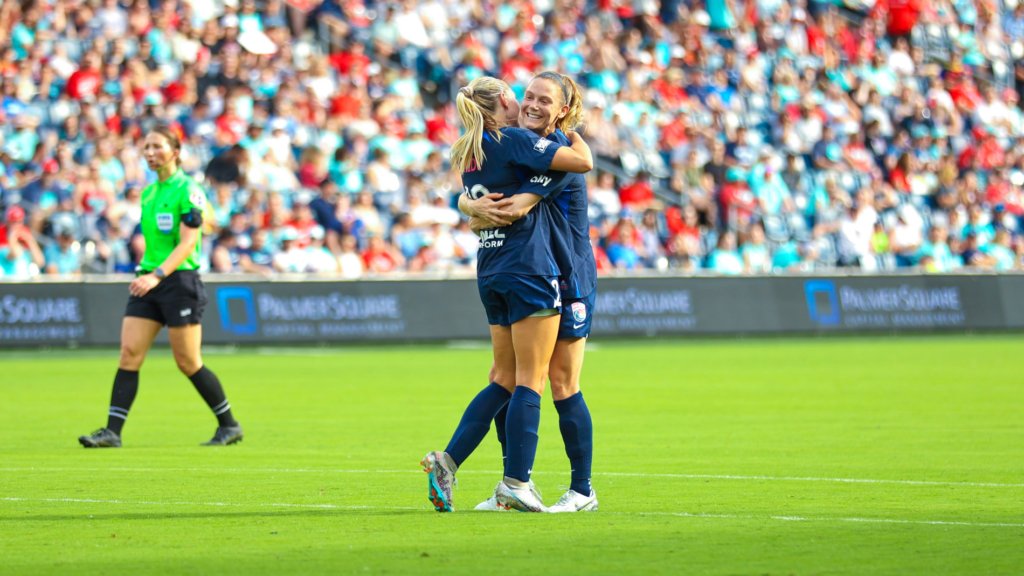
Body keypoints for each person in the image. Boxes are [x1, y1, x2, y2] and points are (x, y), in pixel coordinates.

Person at [421, 76, 593, 513]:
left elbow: (494, 205)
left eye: (542, 99)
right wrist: (471, 206)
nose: (530, 104)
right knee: (534, 381)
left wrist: (467, 206)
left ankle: (559, 488)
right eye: (526, 96)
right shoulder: (521, 143)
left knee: (523, 378)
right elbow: (519, 203)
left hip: (535, 269)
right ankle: (520, 484)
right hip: (537, 268)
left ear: (562, 108)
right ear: (505, 100)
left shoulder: (479, 147)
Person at [78, 127, 242, 448]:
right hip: (149, 279)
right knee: (129, 355)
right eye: (146, 147)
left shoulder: (189, 190)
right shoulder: (149, 193)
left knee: (188, 362)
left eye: (156, 146)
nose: (149, 152)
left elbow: (187, 243)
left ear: (176, 151)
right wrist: (148, 273)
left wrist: (157, 275)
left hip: (179, 281)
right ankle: (112, 432)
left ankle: (229, 425)